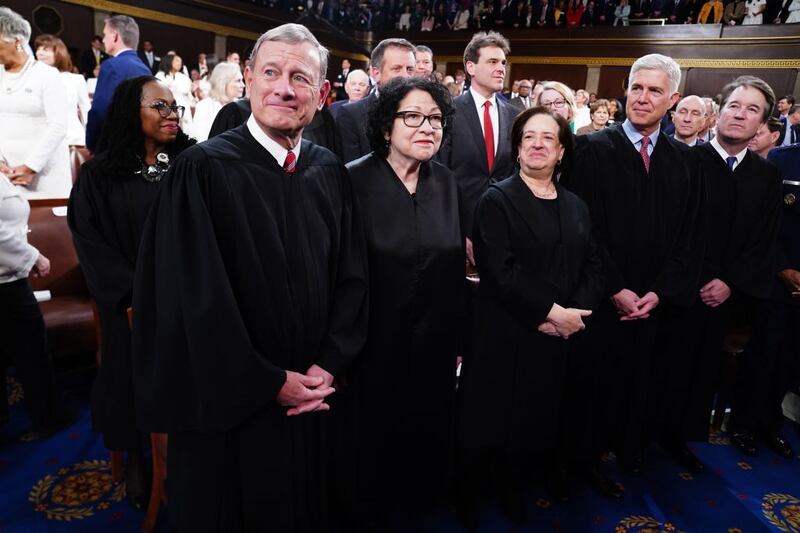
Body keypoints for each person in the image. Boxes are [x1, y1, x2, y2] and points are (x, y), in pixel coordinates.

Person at [131, 24, 368, 532]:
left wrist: (330, 361)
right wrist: (266, 381)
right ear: (247, 80)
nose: (285, 88)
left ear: (323, 94)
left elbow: (353, 276)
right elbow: (192, 300)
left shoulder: (330, 172)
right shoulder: (201, 171)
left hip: (315, 392)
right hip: (235, 405)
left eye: (301, 78)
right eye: (271, 73)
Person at [458, 107, 603, 525]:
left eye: (548, 139)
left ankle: (513, 488)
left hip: (557, 335)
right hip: (504, 330)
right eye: (529, 138)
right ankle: (469, 494)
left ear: (561, 151)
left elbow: (594, 265)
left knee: (531, 420)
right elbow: (499, 270)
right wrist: (550, 311)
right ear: (518, 149)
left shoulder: (576, 205)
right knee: (488, 418)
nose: (538, 145)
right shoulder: (496, 199)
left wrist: (575, 314)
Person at [563, 53, 704, 484]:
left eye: (654, 91)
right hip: (604, 297)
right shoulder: (589, 149)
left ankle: (629, 448)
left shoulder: (686, 160)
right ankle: (581, 460)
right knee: (590, 386)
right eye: (636, 88)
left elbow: (690, 235)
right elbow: (583, 230)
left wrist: (660, 291)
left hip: (655, 302)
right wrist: (617, 289)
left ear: (673, 99)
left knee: (643, 383)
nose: (642, 98)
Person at [334, 76, 461, 529]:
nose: (427, 127)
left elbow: (452, 272)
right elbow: (338, 276)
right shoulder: (350, 181)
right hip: (370, 350)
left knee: (424, 449)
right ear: (387, 127)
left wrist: (457, 339)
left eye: (435, 118)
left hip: (434, 346)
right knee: (368, 458)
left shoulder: (447, 183)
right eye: (413, 117)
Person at [68, 75, 194, 510]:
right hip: (130, 304)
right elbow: (90, 243)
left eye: (175, 106)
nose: (171, 114)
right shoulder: (100, 175)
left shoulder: (191, 162)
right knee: (128, 367)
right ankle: (139, 455)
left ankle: (194, 455)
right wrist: (138, 294)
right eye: (159, 106)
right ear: (129, 112)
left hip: (191, 299)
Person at [729, 143, 800, 459]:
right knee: (764, 353)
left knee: (790, 359)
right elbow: (768, 223)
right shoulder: (783, 159)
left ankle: (771, 424)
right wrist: (784, 267)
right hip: (777, 278)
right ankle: (743, 424)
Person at [438, 31, 516, 258]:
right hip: (458, 231)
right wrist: (456, 232)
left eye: (503, 62)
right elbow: (439, 177)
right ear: (471, 68)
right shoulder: (448, 111)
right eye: (492, 62)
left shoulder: (515, 116)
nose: (501, 68)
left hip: (503, 231)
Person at [0, 8, 70, 199]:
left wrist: (30, 167)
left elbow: (58, 126)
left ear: (17, 41)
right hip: (5, 178)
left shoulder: (46, 75)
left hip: (45, 177)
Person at [336, 38, 416, 163]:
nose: (406, 76)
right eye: (397, 69)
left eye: (410, 69)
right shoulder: (351, 115)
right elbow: (351, 172)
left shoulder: (426, 114)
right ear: (375, 73)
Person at [86, 15, 150, 151]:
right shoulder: (146, 69)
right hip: (139, 146)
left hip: (114, 148)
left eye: (104, 35)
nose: (103, 40)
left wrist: (92, 144)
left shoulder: (111, 66)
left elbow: (100, 111)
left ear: (115, 36)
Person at [34, 34, 91, 148]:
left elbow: (86, 112)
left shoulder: (75, 80)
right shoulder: (32, 78)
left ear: (58, 53)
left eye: (45, 49)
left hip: (72, 140)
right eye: (38, 49)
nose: (39, 53)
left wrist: (91, 140)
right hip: (40, 142)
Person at [192, 62, 244, 142]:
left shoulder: (242, 106)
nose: (243, 85)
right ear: (223, 83)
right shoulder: (204, 107)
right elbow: (199, 140)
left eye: (242, 80)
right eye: (238, 81)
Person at [156, 53, 194, 135]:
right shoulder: (160, 76)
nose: (179, 63)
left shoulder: (183, 77)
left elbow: (189, 93)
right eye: (177, 60)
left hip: (183, 109)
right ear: (169, 61)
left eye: (181, 61)